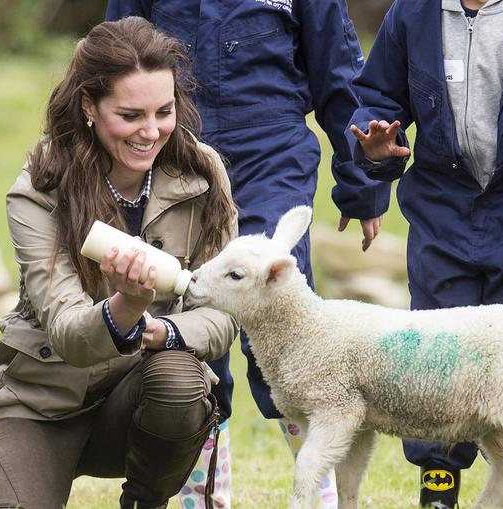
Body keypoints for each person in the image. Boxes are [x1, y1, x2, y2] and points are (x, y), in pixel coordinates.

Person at [0, 17, 239, 509]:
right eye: (130, 115)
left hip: (140, 398)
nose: (151, 131)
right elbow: (68, 330)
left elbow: (225, 309)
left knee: (179, 378)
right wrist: (127, 307)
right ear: (89, 106)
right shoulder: (41, 185)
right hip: (43, 400)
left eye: (164, 111)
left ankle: (144, 502)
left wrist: (167, 332)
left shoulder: (202, 173)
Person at [106, 2, 391, 508]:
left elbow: (339, 76)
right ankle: (202, 498)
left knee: (283, 318)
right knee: (186, 323)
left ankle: (319, 495)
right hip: (176, 153)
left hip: (273, 153)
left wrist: (360, 184)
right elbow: (116, 56)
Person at [347, 0, 503, 507]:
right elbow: (377, 98)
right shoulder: (414, 14)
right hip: (443, 208)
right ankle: (437, 482)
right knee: (438, 347)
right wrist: (376, 145)